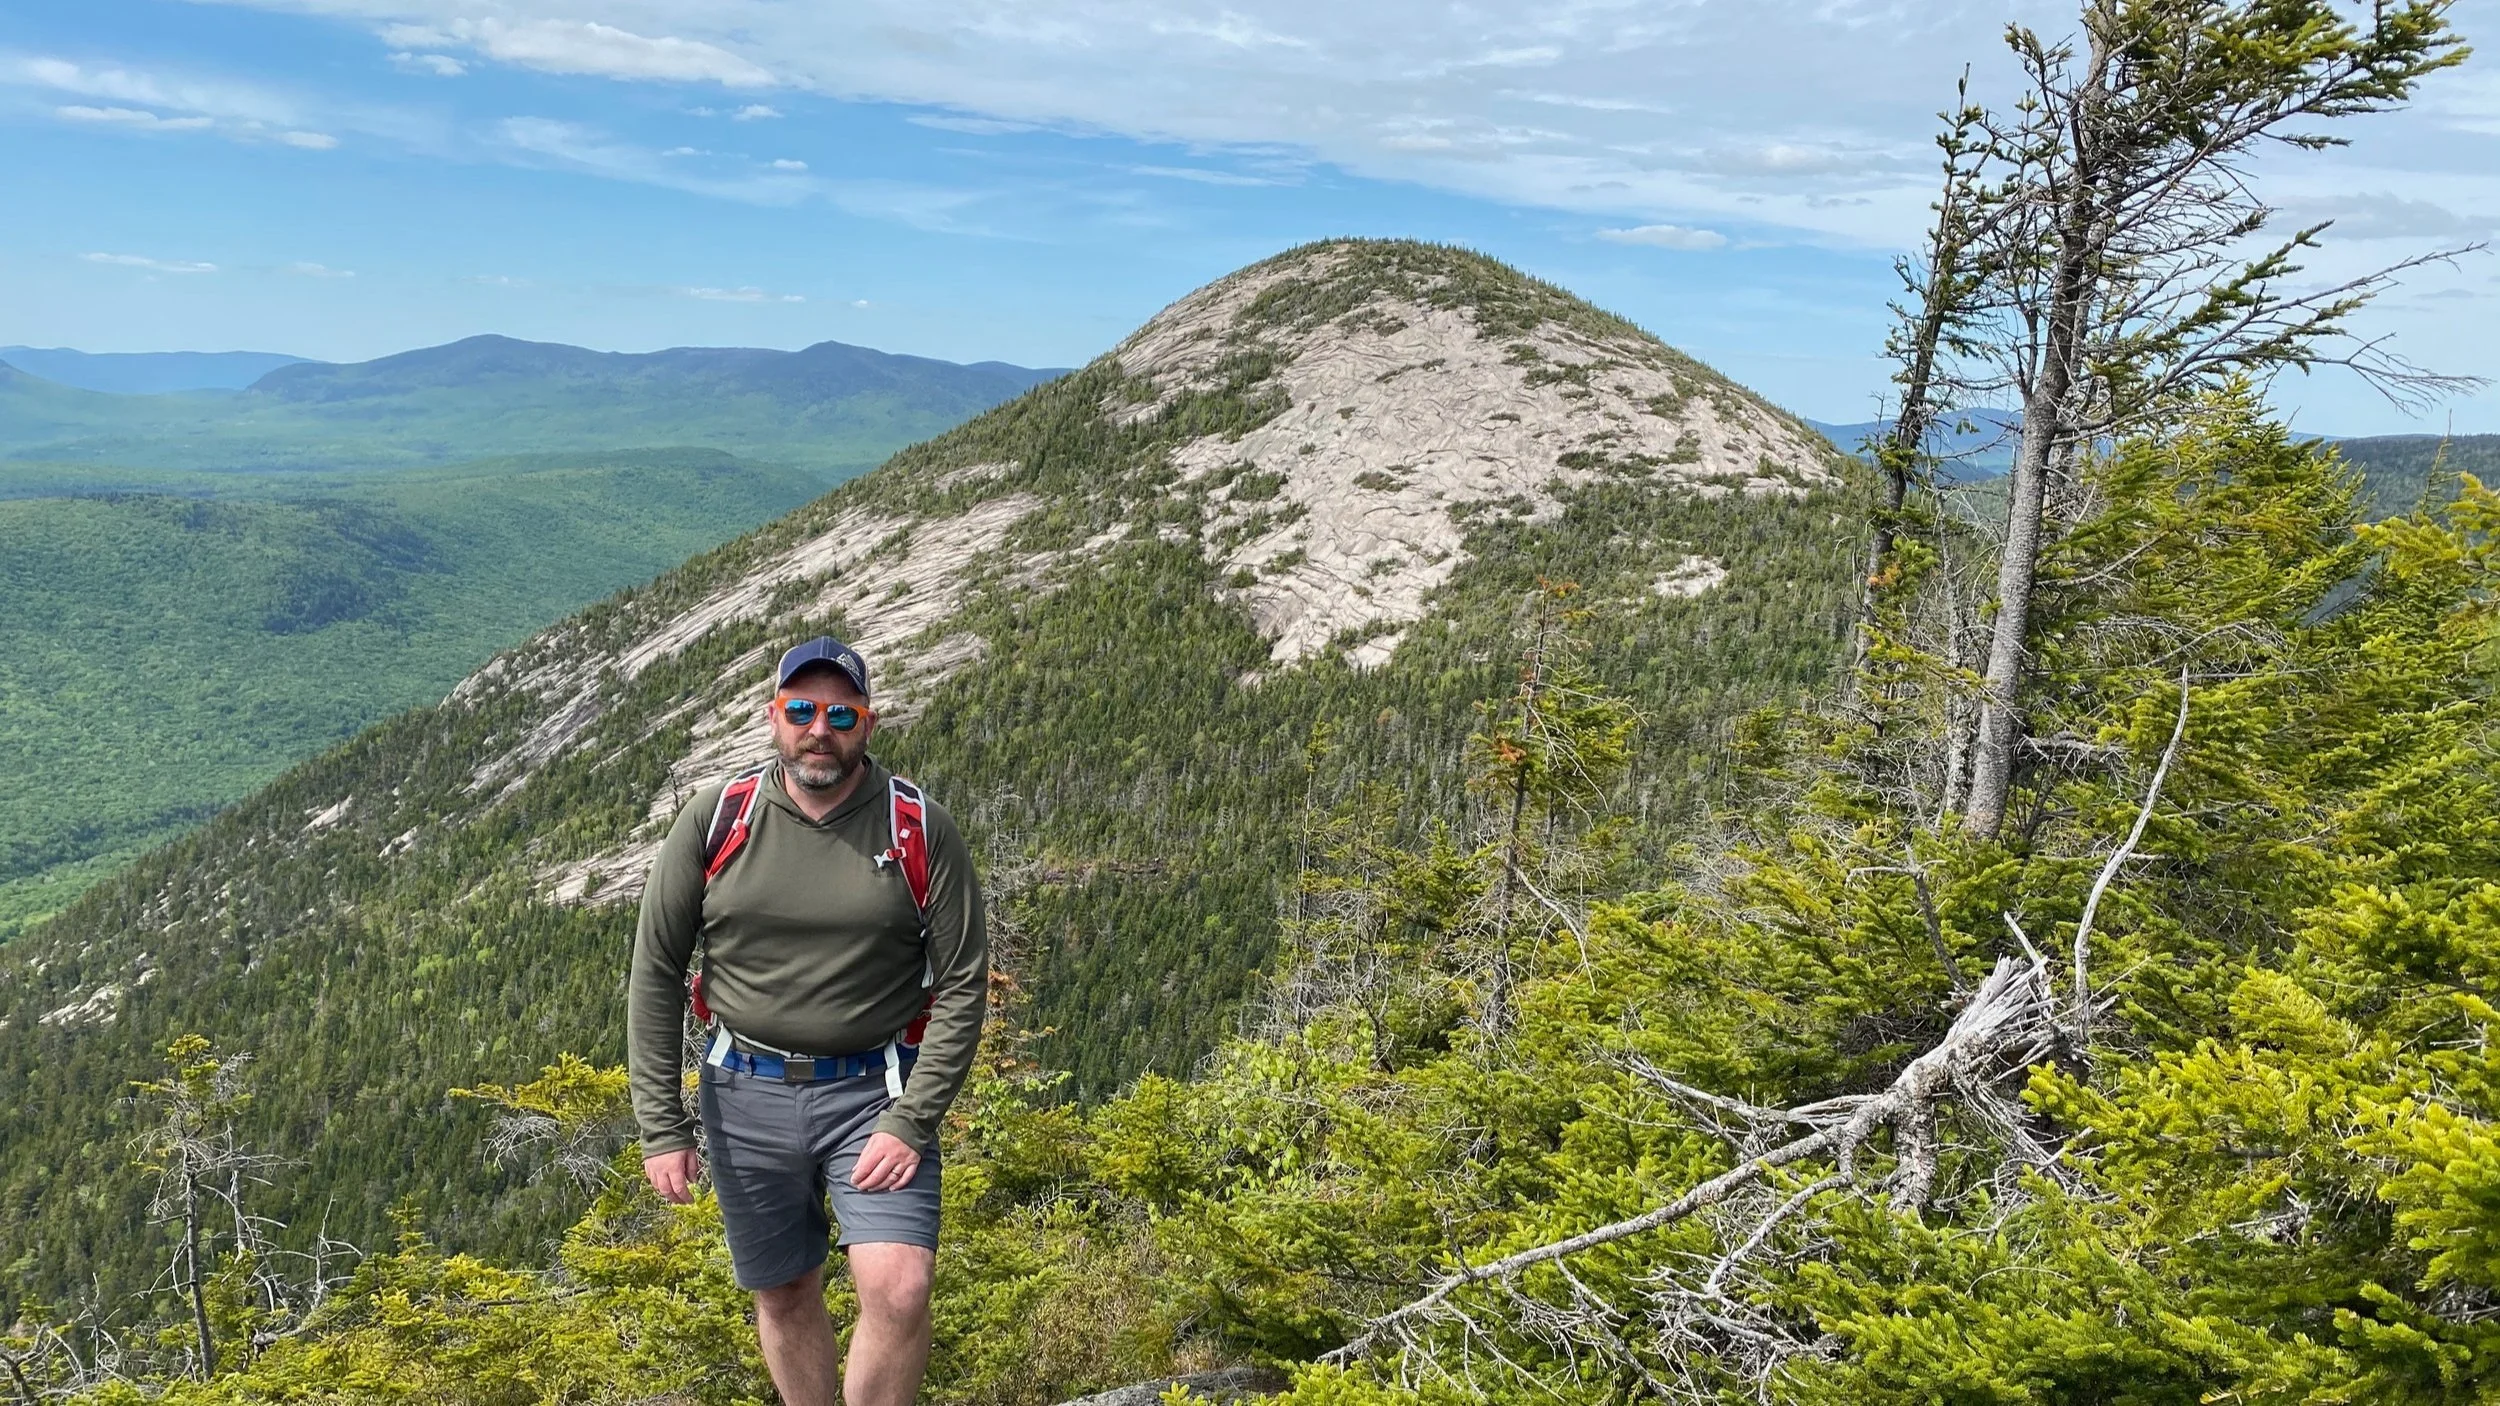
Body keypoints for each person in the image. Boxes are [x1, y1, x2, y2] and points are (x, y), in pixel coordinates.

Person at [628, 636, 987, 1406]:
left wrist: (912, 1119)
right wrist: (662, 1127)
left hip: (875, 1091)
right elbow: (656, 968)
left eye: (839, 713)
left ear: (868, 723)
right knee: (785, 1292)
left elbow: (962, 982)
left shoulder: (918, 826)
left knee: (899, 1288)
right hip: (743, 1090)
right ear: (773, 718)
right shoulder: (717, 818)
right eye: (800, 710)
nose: (818, 728)